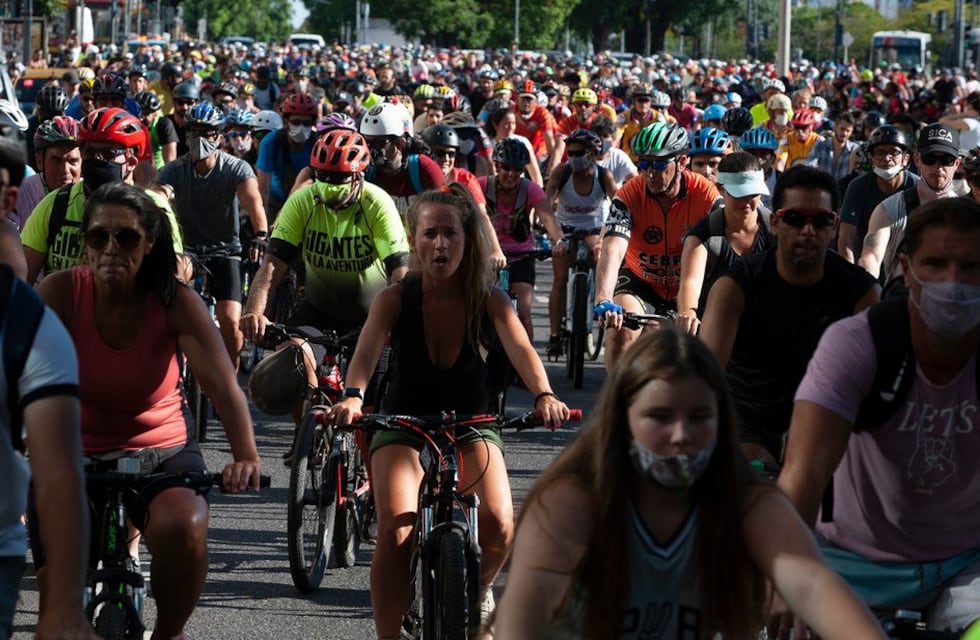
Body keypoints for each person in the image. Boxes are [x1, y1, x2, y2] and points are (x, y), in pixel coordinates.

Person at [493, 329, 886, 640]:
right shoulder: (571, 501)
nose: (681, 435)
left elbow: (815, 584)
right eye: (660, 416)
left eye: (699, 416)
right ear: (623, 420)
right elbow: (522, 620)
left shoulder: (746, 501)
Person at [324, 185, 571, 640]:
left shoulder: (490, 299)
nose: (441, 244)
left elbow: (522, 350)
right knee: (397, 534)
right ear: (414, 241)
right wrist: (354, 396)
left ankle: (478, 592)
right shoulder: (394, 299)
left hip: (471, 423)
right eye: (430, 234)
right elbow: (363, 357)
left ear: (468, 239)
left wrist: (544, 395)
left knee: (499, 524)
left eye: (451, 234)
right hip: (403, 425)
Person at [35, 182, 261, 640]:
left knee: (185, 526)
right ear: (85, 243)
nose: (112, 249)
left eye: (127, 238)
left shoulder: (175, 301)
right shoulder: (58, 292)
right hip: (70, 454)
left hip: (161, 452)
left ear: (150, 243)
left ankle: (169, 632)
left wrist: (246, 457)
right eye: (100, 238)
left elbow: (223, 387)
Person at [778, 198, 980, 634]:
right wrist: (787, 571)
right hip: (854, 562)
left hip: (968, 564)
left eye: (971, 268)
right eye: (936, 264)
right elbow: (804, 471)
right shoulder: (856, 343)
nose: (954, 282)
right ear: (906, 270)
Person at [699, 166, 879, 464]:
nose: (808, 230)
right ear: (774, 223)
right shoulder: (735, 286)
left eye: (820, 221)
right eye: (795, 219)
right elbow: (705, 377)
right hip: (747, 423)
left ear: (834, 227)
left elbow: (873, 386)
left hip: (827, 420)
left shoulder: (862, 292)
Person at [240, 129, 409, 418]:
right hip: (318, 308)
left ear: (358, 175)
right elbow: (272, 265)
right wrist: (255, 311)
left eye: (339, 178)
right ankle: (306, 433)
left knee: (372, 413)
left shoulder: (377, 203)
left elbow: (400, 271)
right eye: (324, 176)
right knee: (290, 362)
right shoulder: (304, 200)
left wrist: (397, 322)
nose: (330, 185)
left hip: (372, 313)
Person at [594, 122, 719, 371]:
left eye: (659, 164)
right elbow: (613, 247)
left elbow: (728, 247)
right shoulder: (629, 194)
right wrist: (604, 298)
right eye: (644, 163)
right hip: (642, 281)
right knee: (621, 330)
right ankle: (619, 402)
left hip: (689, 285)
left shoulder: (706, 193)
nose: (649, 172)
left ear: (682, 162)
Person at [156, 102, 268, 370]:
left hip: (225, 250)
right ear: (186, 135)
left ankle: (230, 378)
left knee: (230, 320)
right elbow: (157, 196)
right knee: (170, 303)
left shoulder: (235, 168)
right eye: (194, 132)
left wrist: (261, 235)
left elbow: (254, 204)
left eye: (207, 133)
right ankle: (170, 370)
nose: (200, 139)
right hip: (188, 251)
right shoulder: (174, 169)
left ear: (218, 137)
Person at [21, 107, 184, 285]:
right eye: (89, 152)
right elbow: (22, 283)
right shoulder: (55, 204)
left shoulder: (154, 207)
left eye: (108, 153)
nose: (97, 160)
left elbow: (173, 282)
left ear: (131, 162)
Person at [676, 152, 772, 334]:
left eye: (753, 193)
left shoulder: (775, 231)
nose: (746, 201)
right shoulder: (703, 236)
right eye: (739, 194)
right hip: (716, 328)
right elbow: (690, 284)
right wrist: (688, 312)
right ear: (721, 189)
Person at [859, 123, 962, 289]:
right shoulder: (889, 209)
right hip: (902, 305)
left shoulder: (966, 216)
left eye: (946, 160)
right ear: (917, 160)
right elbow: (870, 258)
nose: (938, 167)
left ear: (957, 163)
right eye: (930, 159)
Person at [481, 138, 566, 339]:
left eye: (517, 170)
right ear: (497, 165)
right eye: (505, 168)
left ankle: (524, 364)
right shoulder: (482, 185)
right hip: (486, 258)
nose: (510, 174)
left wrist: (559, 240)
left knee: (523, 313)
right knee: (479, 310)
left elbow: (548, 219)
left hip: (521, 256)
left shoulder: (529, 189)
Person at [544, 128, 617, 358]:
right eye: (570, 152)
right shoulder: (561, 172)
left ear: (592, 153)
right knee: (559, 280)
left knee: (601, 258)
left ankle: (601, 303)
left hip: (595, 229)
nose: (573, 157)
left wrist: (608, 237)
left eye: (579, 153)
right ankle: (555, 336)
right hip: (565, 229)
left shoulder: (604, 176)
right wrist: (552, 234)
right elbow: (546, 204)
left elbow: (619, 205)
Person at [837, 125, 917, 263]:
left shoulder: (917, 187)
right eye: (880, 152)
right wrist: (851, 275)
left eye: (894, 152)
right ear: (872, 158)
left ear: (905, 159)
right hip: (864, 266)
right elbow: (846, 238)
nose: (886, 158)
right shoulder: (858, 187)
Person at [12, 116, 80, 231]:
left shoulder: (91, 195)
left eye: (73, 161)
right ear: (39, 161)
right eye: (56, 161)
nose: (65, 170)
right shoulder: (20, 193)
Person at [807, 112, 858, 183]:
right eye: (842, 129)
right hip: (823, 190)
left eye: (848, 131)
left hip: (844, 192)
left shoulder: (854, 149)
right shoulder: (820, 145)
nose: (845, 133)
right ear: (835, 127)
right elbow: (809, 166)